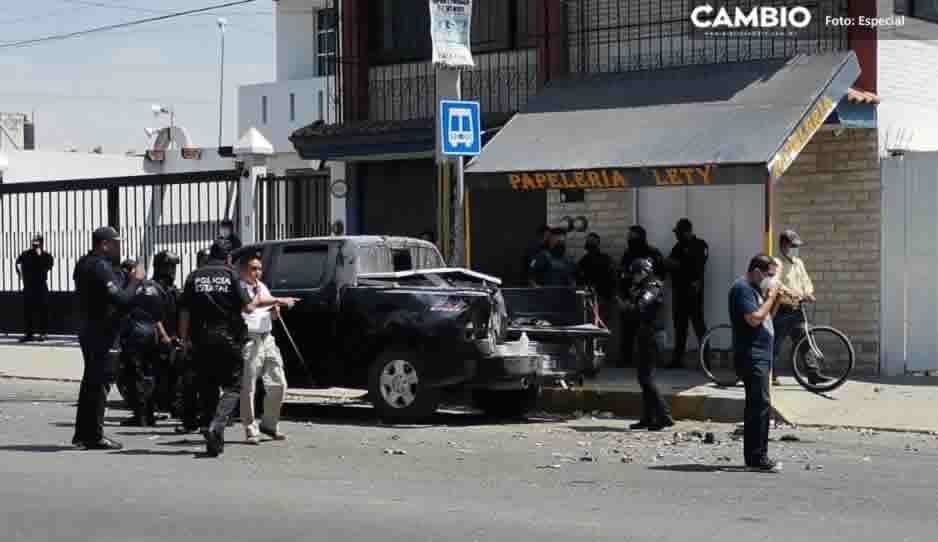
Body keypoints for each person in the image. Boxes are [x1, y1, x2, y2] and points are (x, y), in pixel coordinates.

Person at [177, 239, 293, 457]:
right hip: (228, 338)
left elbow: (184, 310)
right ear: (229, 258)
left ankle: (212, 438)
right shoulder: (231, 276)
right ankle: (217, 425)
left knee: (208, 386)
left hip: (200, 338)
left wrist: (184, 340)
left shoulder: (194, 276)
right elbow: (248, 307)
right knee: (234, 385)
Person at [72, 226, 142, 450]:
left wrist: (123, 276)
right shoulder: (99, 266)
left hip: (90, 328)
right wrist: (136, 281)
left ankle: (83, 434)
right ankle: (94, 436)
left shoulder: (86, 263)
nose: (118, 248)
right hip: (101, 330)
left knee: (91, 382)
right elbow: (121, 299)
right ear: (104, 244)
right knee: (100, 382)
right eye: (115, 243)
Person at [729, 254, 782, 473]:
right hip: (751, 355)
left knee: (759, 405)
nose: (771, 279)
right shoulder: (742, 288)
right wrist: (771, 296)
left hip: (761, 354)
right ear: (757, 272)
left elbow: (767, 316)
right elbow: (753, 318)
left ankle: (756, 455)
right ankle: (757, 457)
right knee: (759, 406)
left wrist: (776, 299)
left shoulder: (755, 290)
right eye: (769, 275)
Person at [239, 253, 293, 444]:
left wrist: (275, 310)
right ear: (244, 270)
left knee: (279, 383)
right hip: (251, 338)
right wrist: (279, 300)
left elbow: (272, 315)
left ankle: (269, 424)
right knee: (249, 386)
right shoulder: (240, 288)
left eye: (259, 268)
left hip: (267, 338)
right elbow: (251, 307)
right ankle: (250, 427)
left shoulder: (262, 287)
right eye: (253, 268)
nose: (257, 272)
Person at [617, 258, 673, 431]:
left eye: (634, 274)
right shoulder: (644, 286)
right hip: (646, 334)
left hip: (652, 335)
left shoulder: (652, 286)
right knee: (644, 377)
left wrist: (626, 307)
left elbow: (641, 306)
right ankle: (648, 418)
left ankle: (663, 415)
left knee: (646, 378)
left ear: (642, 273)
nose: (632, 278)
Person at [117, 258, 174, 427]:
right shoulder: (155, 288)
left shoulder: (128, 289)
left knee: (134, 376)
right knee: (149, 375)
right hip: (153, 335)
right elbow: (163, 313)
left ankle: (140, 415)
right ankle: (149, 413)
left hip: (134, 335)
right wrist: (165, 335)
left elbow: (120, 310)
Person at [772, 230, 827, 386]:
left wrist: (808, 293)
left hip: (797, 309)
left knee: (804, 340)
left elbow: (806, 281)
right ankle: (770, 374)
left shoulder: (798, 262)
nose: (796, 248)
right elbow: (776, 283)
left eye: (797, 246)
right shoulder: (777, 263)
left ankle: (814, 374)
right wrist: (791, 294)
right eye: (793, 245)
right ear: (784, 245)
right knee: (775, 344)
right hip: (782, 309)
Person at [665, 218, 709, 369]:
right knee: (680, 327)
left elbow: (697, 265)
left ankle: (706, 361)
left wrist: (680, 265)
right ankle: (678, 360)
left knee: (699, 326)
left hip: (693, 292)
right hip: (680, 292)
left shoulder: (700, 245)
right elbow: (670, 263)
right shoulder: (678, 246)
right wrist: (679, 265)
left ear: (687, 231)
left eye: (679, 232)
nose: (677, 235)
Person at [618, 225, 664, 367]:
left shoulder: (653, 252)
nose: (629, 239)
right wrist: (623, 296)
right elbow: (623, 275)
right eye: (629, 236)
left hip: (649, 295)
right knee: (628, 330)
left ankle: (653, 361)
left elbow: (662, 274)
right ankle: (626, 360)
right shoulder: (628, 253)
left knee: (650, 330)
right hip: (631, 294)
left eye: (632, 236)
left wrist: (654, 290)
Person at [15, 235, 55, 343]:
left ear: (42, 244)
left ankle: (43, 333)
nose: (35, 246)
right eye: (34, 243)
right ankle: (29, 333)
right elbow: (18, 263)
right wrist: (20, 274)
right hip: (28, 286)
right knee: (28, 310)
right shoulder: (26, 254)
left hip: (41, 286)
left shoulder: (46, 255)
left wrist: (40, 255)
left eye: (37, 244)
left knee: (43, 309)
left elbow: (48, 266)